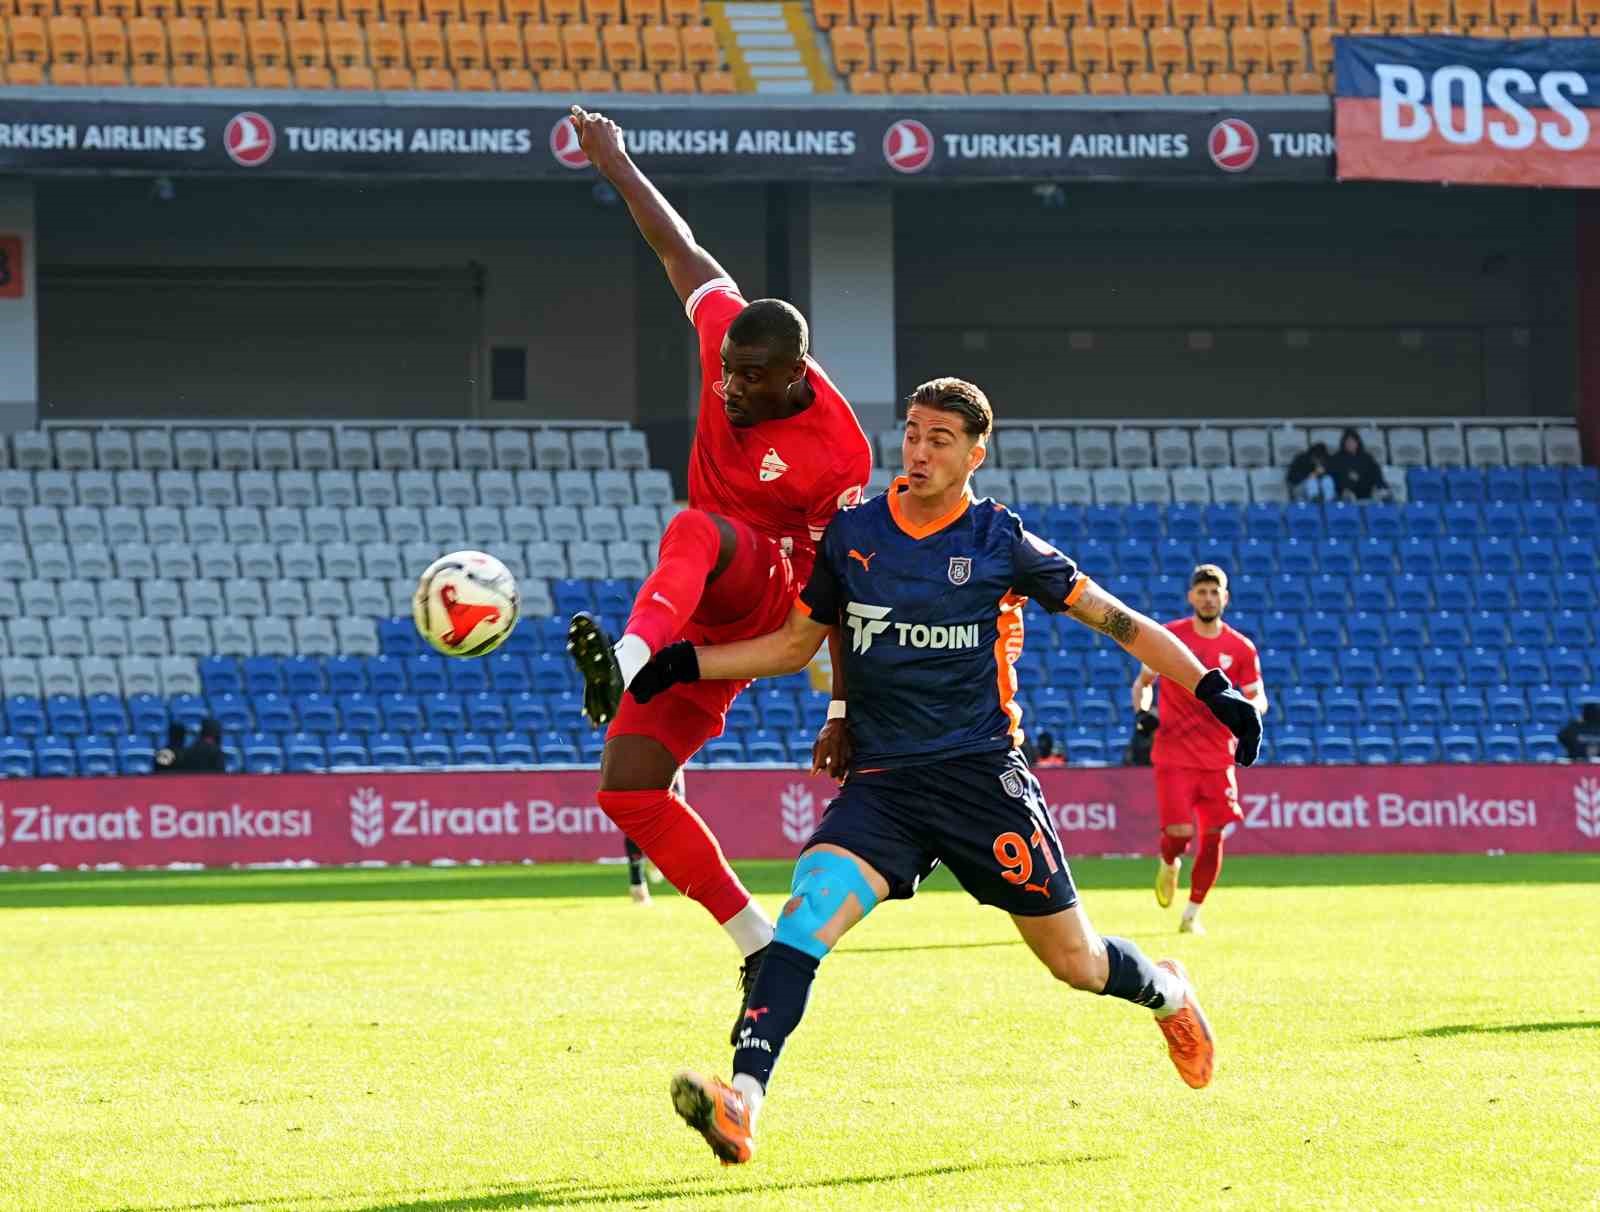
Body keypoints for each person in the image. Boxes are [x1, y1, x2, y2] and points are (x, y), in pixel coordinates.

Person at [626, 378, 1262, 1165]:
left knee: (1078, 962)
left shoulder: (1001, 540)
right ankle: (743, 1101)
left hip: (982, 782)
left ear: (975, 453)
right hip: (885, 783)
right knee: (804, 916)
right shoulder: (855, 535)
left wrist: (1212, 684)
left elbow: (1119, 620)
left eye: (940, 439)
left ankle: (1167, 989)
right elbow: (795, 645)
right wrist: (685, 661)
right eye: (914, 433)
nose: (919, 451)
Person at [560, 105, 873, 1039]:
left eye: (747, 378)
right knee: (627, 787)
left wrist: (842, 708)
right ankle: (755, 940)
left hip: (764, 592)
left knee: (696, 526)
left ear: (795, 375)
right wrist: (615, 163)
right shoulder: (727, 334)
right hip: (689, 611)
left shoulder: (837, 455)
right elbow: (678, 245)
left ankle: (623, 653)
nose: (727, 386)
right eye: (725, 370)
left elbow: (840, 598)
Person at [1131, 565, 1268, 935]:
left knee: (1214, 835)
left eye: (1214, 592)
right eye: (1202, 591)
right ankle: (1169, 859)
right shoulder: (1170, 636)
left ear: (1225, 598)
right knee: (1179, 834)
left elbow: (1259, 698)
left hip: (1218, 758)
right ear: (1191, 596)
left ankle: (1192, 914)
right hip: (1174, 754)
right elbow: (1143, 683)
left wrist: (1250, 714)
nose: (1208, 598)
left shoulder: (1240, 648)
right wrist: (1144, 711)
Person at [1326, 427, 1389, 501]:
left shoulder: (1366, 458)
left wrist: (1358, 478)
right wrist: (1348, 478)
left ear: (1357, 442)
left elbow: (1375, 474)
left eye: (1352, 442)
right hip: (1344, 492)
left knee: (1380, 489)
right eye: (1348, 442)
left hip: (1365, 490)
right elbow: (1332, 477)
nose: (1350, 444)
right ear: (1344, 443)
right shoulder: (1336, 459)